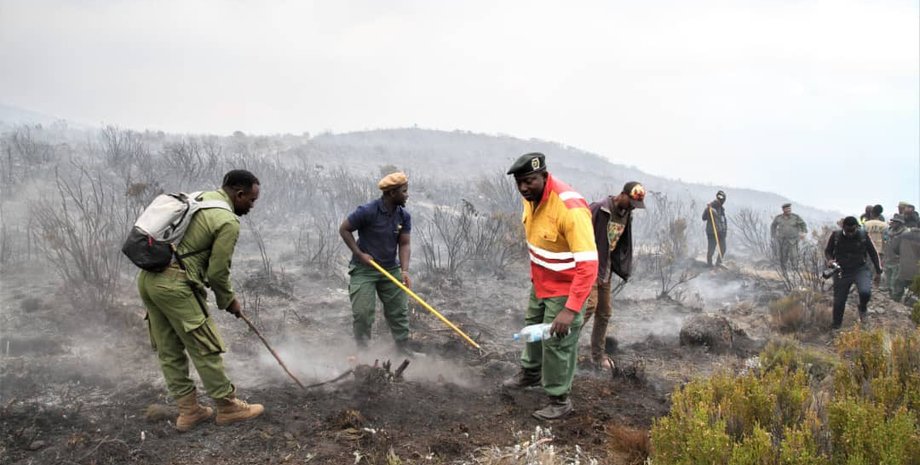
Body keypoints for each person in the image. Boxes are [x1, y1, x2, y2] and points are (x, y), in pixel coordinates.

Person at [137, 170, 264, 432]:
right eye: (250, 200)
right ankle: (228, 407)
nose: (251, 206)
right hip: (174, 285)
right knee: (204, 346)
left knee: (168, 349)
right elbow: (218, 273)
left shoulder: (200, 198)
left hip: (148, 280)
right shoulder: (227, 221)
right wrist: (229, 301)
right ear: (238, 194)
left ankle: (189, 411)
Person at [501, 152, 598, 421]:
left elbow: (589, 265)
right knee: (533, 330)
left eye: (529, 181)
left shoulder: (570, 208)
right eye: (519, 182)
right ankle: (530, 373)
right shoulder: (530, 199)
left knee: (557, 342)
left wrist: (571, 309)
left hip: (566, 288)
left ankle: (559, 399)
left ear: (544, 176)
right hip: (541, 283)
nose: (523, 188)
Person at [339, 172, 412, 352]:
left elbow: (404, 243)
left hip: (390, 268)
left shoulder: (404, 216)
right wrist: (360, 253)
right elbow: (344, 229)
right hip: (364, 269)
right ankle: (363, 353)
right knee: (363, 313)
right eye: (404, 191)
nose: (407, 195)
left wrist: (404, 271)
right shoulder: (367, 211)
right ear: (392, 193)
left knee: (399, 313)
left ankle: (403, 350)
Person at [583, 182, 644, 370]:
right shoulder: (599, 209)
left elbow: (620, 244)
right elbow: (580, 236)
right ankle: (563, 349)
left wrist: (622, 267)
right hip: (589, 267)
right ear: (623, 194)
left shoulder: (627, 216)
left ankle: (598, 356)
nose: (632, 208)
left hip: (605, 270)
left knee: (604, 312)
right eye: (631, 203)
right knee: (587, 308)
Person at [824, 216, 882, 329]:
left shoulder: (863, 235)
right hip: (842, 270)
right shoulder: (836, 236)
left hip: (860, 269)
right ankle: (836, 326)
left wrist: (878, 272)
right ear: (843, 228)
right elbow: (828, 251)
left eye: (853, 230)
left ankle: (862, 308)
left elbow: (874, 253)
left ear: (857, 227)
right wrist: (830, 260)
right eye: (847, 231)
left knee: (865, 292)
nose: (850, 233)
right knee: (839, 302)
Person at [889, 216, 920, 303]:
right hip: (917, 273)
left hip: (903, 269)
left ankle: (895, 310)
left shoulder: (903, 235)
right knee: (916, 295)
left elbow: (895, 249)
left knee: (897, 293)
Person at [771, 203, 807, 268]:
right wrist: (773, 235)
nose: (789, 210)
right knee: (783, 257)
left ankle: (795, 271)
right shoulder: (778, 218)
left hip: (793, 240)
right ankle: (783, 272)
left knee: (794, 256)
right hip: (782, 241)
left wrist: (803, 233)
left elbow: (803, 224)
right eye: (787, 209)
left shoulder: (795, 217)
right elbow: (773, 226)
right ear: (783, 210)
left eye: (789, 209)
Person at [881, 214, 906, 299]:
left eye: (896, 222)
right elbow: (885, 244)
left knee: (895, 281)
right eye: (893, 221)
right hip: (888, 259)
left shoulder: (905, 233)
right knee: (888, 280)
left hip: (898, 261)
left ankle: (895, 298)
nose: (893, 223)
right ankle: (890, 296)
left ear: (900, 223)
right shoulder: (888, 232)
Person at [701, 190, 728, 267]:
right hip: (712, 233)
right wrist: (708, 209)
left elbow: (722, 220)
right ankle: (709, 265)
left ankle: (718, 263)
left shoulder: (722, 209)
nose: (721, 199)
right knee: (711, 250)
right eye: (719, 197)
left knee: (723, 248)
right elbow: (704, 217)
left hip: (721, 232)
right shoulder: (711, 207)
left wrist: (724, 231)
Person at [863, 205, 887, 282]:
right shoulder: (885, 225)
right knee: (878, 267)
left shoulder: (866, 224)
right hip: (880, 249)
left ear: (872, 214)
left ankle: (868, 283)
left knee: (868, 267)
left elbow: (862, 236)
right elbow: (886, 239)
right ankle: (877, 284)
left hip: (868, 250)